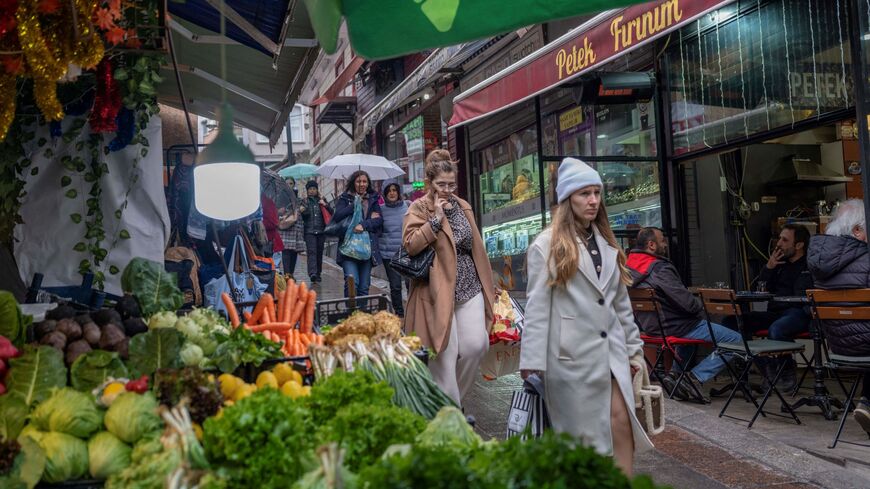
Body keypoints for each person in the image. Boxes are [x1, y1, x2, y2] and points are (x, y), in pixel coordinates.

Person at [519, 157, 653, 475]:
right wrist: (531, 361)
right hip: (570, 359)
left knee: (622, 424)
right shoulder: (546, 246)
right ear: (568, 198)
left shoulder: (607, 242)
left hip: (611, 354)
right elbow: (537, 307)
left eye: (596, 193)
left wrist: (635, 351)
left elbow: (621, 304)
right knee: (580, 444)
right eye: (584, 193)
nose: (593, 200)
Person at [403, 149, 495, 407]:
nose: (446, 189)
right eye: (441, 184)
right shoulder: (418, 207)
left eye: (451, 184)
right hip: (437, 290)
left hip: (469, 286)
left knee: (477, 345)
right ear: (429, 183)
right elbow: (410, 244)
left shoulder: (463, 206)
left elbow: (475, 246)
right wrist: (435, 221)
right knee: (444, 352)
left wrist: (490, 284)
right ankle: (450, 412)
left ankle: (450, 402)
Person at [626, 227, 743, 402]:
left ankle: (675, 376)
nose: (665, 244)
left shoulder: (629, 267)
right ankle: (695, 378)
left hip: (652, 327)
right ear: (651, 245)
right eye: (662, 240)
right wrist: (699, 307)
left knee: (688, 331)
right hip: (676, 326)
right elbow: (686, 303)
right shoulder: (659, 268)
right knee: (736, 341)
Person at [807, 199, 870, 436]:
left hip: (838, 347)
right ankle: (867, 402)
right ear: (856, 231)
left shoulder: (820, 264)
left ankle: (866, 402)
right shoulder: (866, 259)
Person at [730, 224, 814, 392]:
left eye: (785, 240)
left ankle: (787, 373)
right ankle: (766, 370)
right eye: (779, 238)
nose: (779, 243)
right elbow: (762, 289)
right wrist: (768, 268)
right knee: (733, 321)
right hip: (775, 312)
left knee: (777, 329)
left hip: (798, 313)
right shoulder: (778, 265)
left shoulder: (809, 266)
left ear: (799, 245)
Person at [332, 171, 382, 298]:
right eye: (359, 181)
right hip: (348, 249)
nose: (362, 184)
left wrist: (364, 225)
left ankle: (362, 316)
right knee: (352, 283)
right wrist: (354, 205)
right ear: (353, 183)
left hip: (367, 249)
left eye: (365, 181)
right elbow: (337, 216)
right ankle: (350, 315)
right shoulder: (345, 198)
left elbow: (379, 220)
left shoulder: (372, 199)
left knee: (364, 287)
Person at [379, 182, 409, 317]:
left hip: (407, 251)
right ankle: (399, 313)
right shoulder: (380, 209)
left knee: (411, 284)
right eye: (389, 191)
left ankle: (413, 310)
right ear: (384, 194)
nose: (392, 193)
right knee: (395, 286)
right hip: (388, 253)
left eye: (394, 190)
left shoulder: (408, 206)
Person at [299, 181, 332, 283]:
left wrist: (325, 204)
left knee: (319, 252)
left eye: (314, 189)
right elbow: (304, 216)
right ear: (307, 190)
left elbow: (332, 212)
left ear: (317, 190)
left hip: (321, 231)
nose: (312, 191)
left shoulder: (322, 200)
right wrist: (303, 210)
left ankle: (318, 273)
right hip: (309, 231)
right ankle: (312, 273)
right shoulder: (304, 201)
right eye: (310, 189)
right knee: (312, 252)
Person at [278, 177, 305, 280]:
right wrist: (282, 211)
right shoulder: (281, 196)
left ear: (294, 184)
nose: (289, 185)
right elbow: (278, 210)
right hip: (286, 227)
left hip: (296, 227)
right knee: (286, 251)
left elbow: (304, 211)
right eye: (287, 183)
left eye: (291, 183)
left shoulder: (298, 198)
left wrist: (303, 209)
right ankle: (287, 274)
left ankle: (291, 274)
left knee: (294, 251)